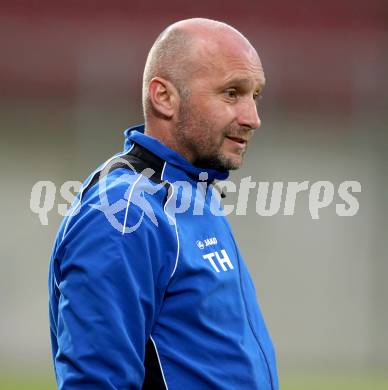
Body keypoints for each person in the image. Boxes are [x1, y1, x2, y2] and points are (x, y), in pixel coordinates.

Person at [49, 18, 278, 389]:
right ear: (164, 97)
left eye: (256, 95)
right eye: (232, 93)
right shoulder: (124, 212)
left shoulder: (193, 189)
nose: (253, 118)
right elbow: (95, 381)